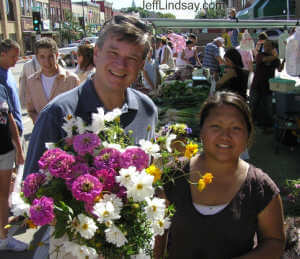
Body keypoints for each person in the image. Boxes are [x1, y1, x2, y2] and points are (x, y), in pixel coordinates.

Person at [24, 15, 158, 258]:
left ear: (141, 65)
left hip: (127, 245)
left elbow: (150, 180)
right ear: (96, 53)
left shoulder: (147, 111)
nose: (121, 65)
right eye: (113, 53)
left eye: (132, 58)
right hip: (71, 247)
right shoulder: (58, 114)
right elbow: (32, 191)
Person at [155, 91, 285, 259]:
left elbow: (274, 242)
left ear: (248, 136)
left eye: (236, 128)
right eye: (216, 126)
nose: (225, 136)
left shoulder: (260, 187)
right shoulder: (175, 175)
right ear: (201, 132)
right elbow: (158, 235)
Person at [25, 37, 80, 124]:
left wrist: (67, 123)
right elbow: (31, 110)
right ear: (37, 58)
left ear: (57, 55)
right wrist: (41, 123)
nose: (47, 62)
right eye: (42, 57)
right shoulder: (31, 81)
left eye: (50, 56)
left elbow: (77, 109)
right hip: (43, 134)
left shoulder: (71, 79)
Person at [0, 84, 27, 252]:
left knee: (3, 196)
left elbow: (10, 118)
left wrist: (18, 147)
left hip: (6, 151)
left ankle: (4, 238)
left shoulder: (1, 88)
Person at [250, 40, 284, 133]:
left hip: (268, 86)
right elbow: (264, 60)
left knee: (268, 108)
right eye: (265, 46)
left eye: (268, 45)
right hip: (256, 85)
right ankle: (250, 125)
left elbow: (280, 69)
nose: (266, 47)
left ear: (272, 47)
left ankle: (266, 126)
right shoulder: (260, 55)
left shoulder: (275, 59)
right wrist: (276, 56)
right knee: (253, 105)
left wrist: (283, 59)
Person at [0, 39, 22, 135]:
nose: (17, 59)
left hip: (18, 127)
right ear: (2, 55)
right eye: (13, 57)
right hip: (9, 133)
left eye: (18, 56)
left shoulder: (8, 70)